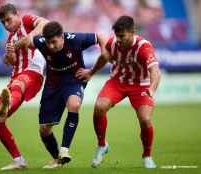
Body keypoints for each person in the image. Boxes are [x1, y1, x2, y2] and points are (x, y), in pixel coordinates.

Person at [12, 21, 107, 168]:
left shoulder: (76, 39)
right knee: (44, 129)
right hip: (53, 84)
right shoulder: (41, 41)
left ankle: (64, 150)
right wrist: (12, 47)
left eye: (54, 42)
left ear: (62, 37)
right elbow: (28, 41)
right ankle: (58, 159)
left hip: (74, 79)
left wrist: (94, 67)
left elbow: (100, 36)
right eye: (48, 43)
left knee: (74, 105)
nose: (51, 46)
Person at [76, 15, 161, 168]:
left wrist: (152, 88)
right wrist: (91, 72)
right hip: (117, 81)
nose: (119, 39)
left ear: (132, 31)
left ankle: (147, 156)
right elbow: (104, 57)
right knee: (99, 107)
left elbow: (155, 70)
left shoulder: (144, 47)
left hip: (141, 85)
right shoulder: (113, 43)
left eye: (122, 36)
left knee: (145, 120)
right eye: (117, 35)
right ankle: (102, 145)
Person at [0, 3, 48, 171]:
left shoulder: (27, 20)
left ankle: (7, 103)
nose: (7, 25)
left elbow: (45, 23)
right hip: (16, 77)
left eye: (9, 20)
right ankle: (19, 160)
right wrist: (8, 56)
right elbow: (10, 62)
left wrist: (28, 37)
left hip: (32, 72)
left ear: (17, 14)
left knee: (19, 84)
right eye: (4, 23)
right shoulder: (9, 40)